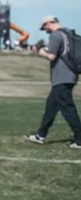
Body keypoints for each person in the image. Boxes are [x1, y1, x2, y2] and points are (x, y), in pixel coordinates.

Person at [26, 15, 81, 148]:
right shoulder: (68, 34)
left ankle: (79, 139)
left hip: (62, 77)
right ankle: (41, 134)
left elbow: (51, 56)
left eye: (45, 27)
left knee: (68, 109)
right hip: (71, 75)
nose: (45, 31)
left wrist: (41, 52)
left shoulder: (56, 35)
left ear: (49, 24)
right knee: (51, 106)